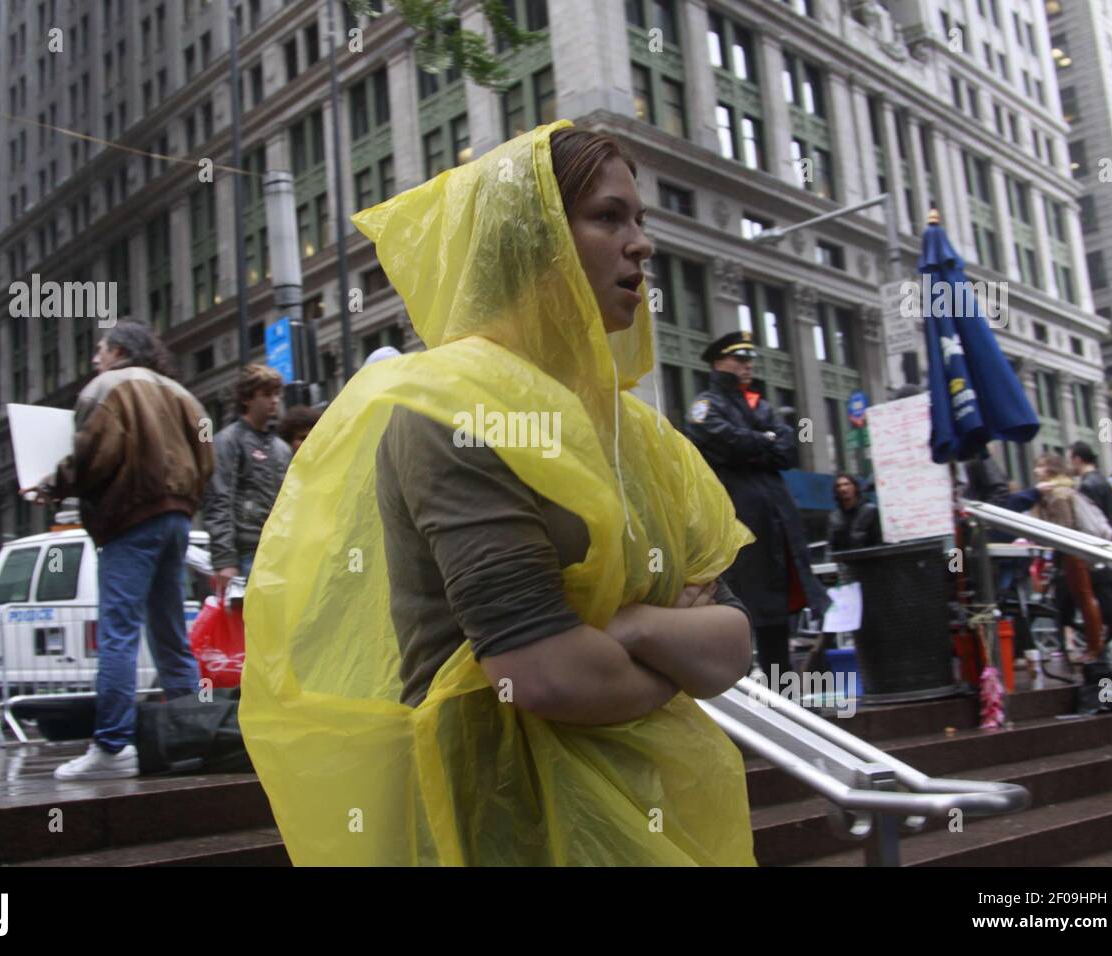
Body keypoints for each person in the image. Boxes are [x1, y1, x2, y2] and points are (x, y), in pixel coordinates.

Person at [239, 121, 757, 865]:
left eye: (639, 219)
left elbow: (734, 641)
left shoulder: (638, 435)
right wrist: (662, 640)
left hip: (654, 812)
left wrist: (627, 634)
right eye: (609, 217)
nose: (641, 243)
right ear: (533, 239)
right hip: (502, 820)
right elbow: (543, 675)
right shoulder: (451, 412)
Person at [24, 321, 213, 780]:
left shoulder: (106, 387)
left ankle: (112, 746)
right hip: (176, 519)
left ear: (120, 350)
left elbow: (91, 454)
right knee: (169, 633)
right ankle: (193, 740)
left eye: (100, 350)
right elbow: (206, 456)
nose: (95, 359)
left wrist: (53, 484)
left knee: (118, 633)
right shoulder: (181, 393)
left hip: (130, 519)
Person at [684, 331, 830, 675]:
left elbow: (788, 450)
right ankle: (746, 686)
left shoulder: (760, 405)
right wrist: (765, 440)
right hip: (740, 517)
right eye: (739, 359)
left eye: (750, 359)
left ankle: (782, 694)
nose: (747, 366)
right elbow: (727, 442)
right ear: (718, 362)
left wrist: (760, 444)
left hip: (777, 518)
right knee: (745, 603)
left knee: (776, 609)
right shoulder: (705, 405)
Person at [205, 364, 292, 591]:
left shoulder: (281, 448)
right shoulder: (228, 441)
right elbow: (219, 500)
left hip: (279, 554)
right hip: (246, 555)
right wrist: (225, 560)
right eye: (266, 395)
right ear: (247, 399)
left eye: (276, 394)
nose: (274, 400)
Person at [1029, 453, 1104, 662]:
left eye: (1040, 466)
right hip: (1069, 553)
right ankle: (1092, 645)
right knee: (1081, 597)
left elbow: (1065, 527)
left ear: (1051, 470)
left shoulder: (1058, 494)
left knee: (1084, 597)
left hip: (1072, 552)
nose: (1036, 471)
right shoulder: (1056, 492)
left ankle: (1095, 647)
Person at [1069, 440, 1112, 638]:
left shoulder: (1088, 486)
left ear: (1077, 459)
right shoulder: (1104, 482)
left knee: (1109, 602)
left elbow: (1091, 524)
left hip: (1101, 552)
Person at [826, 473, 881, 553]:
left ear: (855, 487)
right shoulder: (834, 517)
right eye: (839, 486)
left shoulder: (870, 511)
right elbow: (831, 546)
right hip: (844, 562)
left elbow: (879, 541)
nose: (843, 488)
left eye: (846, 484)